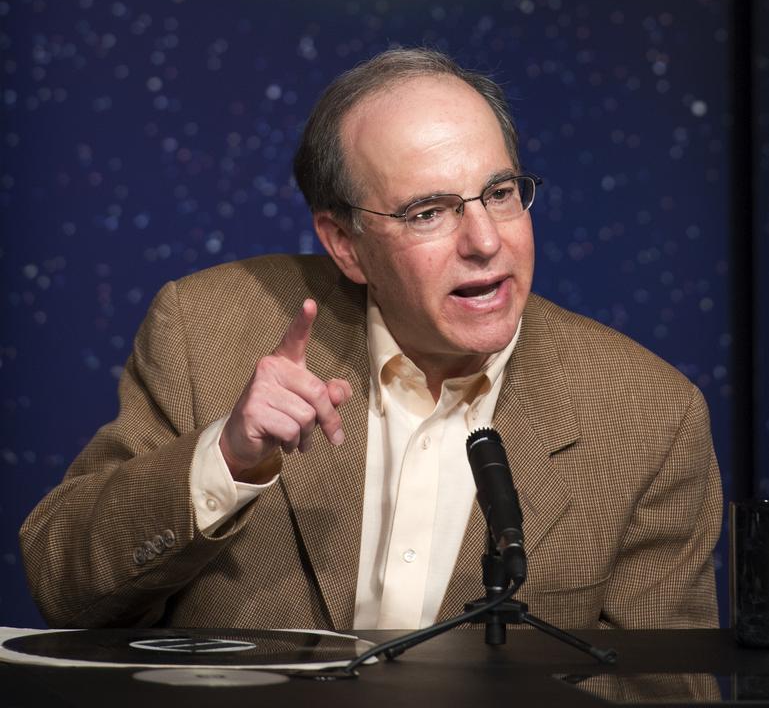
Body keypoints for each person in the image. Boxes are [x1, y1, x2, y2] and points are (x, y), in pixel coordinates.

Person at [20, 49, 722, 632]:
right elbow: (63, 582)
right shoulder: (206, 329)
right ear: (344, 245)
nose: (485, 241)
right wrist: (228, 458)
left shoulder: (649, 418)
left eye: (500, 193)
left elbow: (658, 690)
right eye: (428, 212)